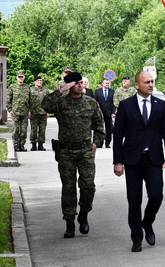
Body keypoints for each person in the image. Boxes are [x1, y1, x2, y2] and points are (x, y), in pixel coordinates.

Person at [113, 71, 165, 253]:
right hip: (132, 160)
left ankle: (147, 222)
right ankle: (136, 237)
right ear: (137, 85)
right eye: (146, 82)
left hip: (154, 159)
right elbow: (117, 137)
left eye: (152, 82)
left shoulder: (160, 105)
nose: (150, 85)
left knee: (156, 195)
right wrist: (118, 161)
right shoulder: (126, 105)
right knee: (134, 200)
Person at [41, 72, 105, 238]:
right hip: (66, 151)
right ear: (70, 85)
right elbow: (45, 104)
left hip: (85, 151)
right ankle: (69, 222)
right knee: (68, 188)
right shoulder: (61, 103)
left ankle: (84, 213)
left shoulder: (91, 103)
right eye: (76, 83)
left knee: (88, 186)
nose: (80, 85)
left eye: (81, 83)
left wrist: (95, 143)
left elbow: (99, 125)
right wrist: (62, 89)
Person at [7, 70, 31, 152]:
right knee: (16, 130)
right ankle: (16, 145)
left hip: (25, 112)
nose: (21, 78)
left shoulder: (27, 87)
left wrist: (30, 111)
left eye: (22, 77)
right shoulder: (12, 87)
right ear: (17, 78)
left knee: (24, 131)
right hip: (15, 112)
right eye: (19, 77)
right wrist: (10, 110)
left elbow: (30, 100)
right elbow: (8, 100)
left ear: (24, 78)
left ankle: (22, 145)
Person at [29, 76, 49, 151]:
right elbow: (28, 101)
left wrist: (48, 111)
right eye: (38, 80)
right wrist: (29, 111)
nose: (40, 82)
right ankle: (33, 145)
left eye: (41, 80)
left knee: (42, 130)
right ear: (35, 82)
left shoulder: (45, 90)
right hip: (34, 113)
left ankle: (41, 145)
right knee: (33, 130)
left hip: (43, 113)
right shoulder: (30, 90)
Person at [95, 79, 115, 148]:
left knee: (108, 129)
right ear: (102, 84)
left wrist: (113, 112)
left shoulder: (112, 91)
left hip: (109, 113)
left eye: (108, 83)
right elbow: (95, 102)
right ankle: (100, 143)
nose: (107, 84)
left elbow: (113, 103)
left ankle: (107, 143)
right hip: (100, 113)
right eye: (106, 83)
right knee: (100, 128)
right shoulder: (97, 91)